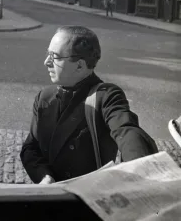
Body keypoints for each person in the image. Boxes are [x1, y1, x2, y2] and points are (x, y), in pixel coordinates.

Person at [20, 26, 158, 184]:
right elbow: (30, 147)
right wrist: (43, 176)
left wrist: (139, 172)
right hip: (51, 197)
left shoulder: (105, 96)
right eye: (47, 54)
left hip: (86, 200)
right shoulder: (44, 97)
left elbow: (127, 131)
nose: (46, 62)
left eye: (54, 56)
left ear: (79, 65)